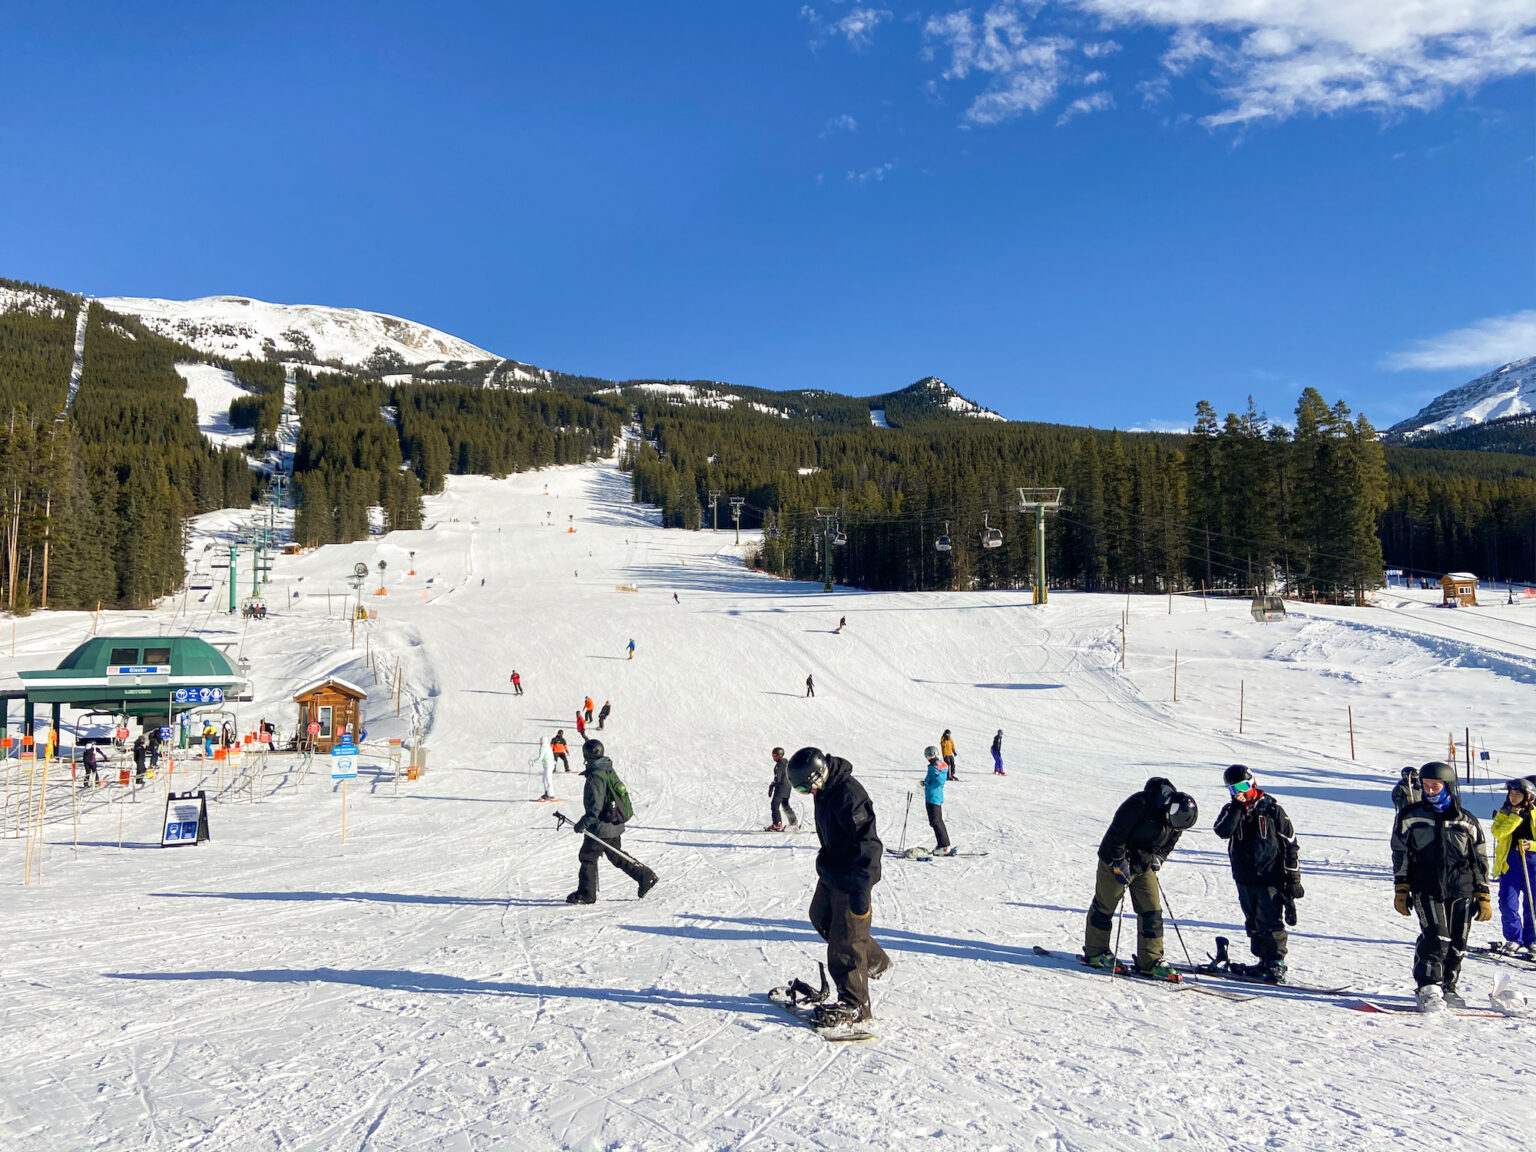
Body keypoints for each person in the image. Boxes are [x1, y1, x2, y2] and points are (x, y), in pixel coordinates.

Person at [786, 746, 891, 1025]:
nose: (807, 794)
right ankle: (873, 960)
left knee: (845, 941)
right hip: (833, 869)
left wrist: (862, 887)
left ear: (818, 776)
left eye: (805, 789)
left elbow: (869, 844)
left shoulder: (849, 795)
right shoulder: (824, 789)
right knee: (821, 917)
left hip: (853, 876)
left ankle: (856, 1004)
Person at [1391, 761, 1492, 1011]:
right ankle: (1428, 987)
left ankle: (1448, 986)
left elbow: (1479, 858)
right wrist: (1401, 888)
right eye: (1426, 786)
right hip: (1426, 886)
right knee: (1437, 938)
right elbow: (1400, 852)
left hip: (1462, 888)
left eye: (1435, 786)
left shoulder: (1466, 820)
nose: (1430, 791)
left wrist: (1483, 894)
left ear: (1448, 786)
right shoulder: (1411, 816)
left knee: (1457, 943)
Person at [1083, 777, 1198, 978]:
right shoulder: (1139, 804)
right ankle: (1096, 952)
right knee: (1106, 905)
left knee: (1151, 910)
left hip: (1143, 864)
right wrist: (1119, 862)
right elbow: (1115, 835)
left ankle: (1151, 960)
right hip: (1114, 859)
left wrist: (1159, 857)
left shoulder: (1177, 819)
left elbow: (1170, 841)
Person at [1213, 765, 1302, 984]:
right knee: (1252, 921)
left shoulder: (1272, 810)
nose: (1239, 792)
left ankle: (1276, 963)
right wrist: (1237, 808)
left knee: (1270, 921)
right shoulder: (1231, 809)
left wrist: (1293, 879)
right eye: (1233, 789)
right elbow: (1222, 831)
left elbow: (1290, 844)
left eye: (1243, 786)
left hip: (1270, 875)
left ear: (1253, 782)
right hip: (1244, 876)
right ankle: (1263, 961)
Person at [567, 739, 658, 904]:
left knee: (588, 856)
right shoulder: (607, 768)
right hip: (613, 823)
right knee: (615, 855)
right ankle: (645, 876)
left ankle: (586, 894)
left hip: (601, 827)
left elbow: (595, 807)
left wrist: (583, 823)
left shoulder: (596, 775)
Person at [1489, 776, 1536, 959]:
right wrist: (1514, 817)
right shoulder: (1505, 812)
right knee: (1508, 903)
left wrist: (1530, 845)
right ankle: (1514, 938)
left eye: (1518, 793)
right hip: (1510, 862)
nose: (1513, 797)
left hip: (1532, 862)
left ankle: (1532, 939)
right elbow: (1498, 832)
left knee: (1532, 903)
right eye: (1511, 793)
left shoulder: (1534, 813)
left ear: (1528, 796)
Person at [922, 746, 953, 855]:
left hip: (933, 796)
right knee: (937, 821)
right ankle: (943, 844)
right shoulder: (939, 764)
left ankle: (944, 846)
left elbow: (937, 781)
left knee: (935, 821)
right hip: (936, 795)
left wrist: (926, 784)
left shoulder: (934, 766)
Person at [765, 746, 799, 831]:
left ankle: (777, 824)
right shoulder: (786, 764)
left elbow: (778, 778)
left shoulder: (780, 765)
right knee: (785, 805)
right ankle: (793, 822)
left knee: (774, 805)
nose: (773, 757)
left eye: (774, 755)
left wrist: (772, 786)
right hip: (787, 787)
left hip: (781, 788)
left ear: (779, 755)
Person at [531, 736, 557, 801]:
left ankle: (551, 795)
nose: (541, 743)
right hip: (548, 765)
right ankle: (547, 793)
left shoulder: (543, 747)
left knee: (548, 779)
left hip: (549, 765)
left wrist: (533, 762)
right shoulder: (548, 746)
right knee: (544, 779)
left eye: (541, 742)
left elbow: (540, 758)